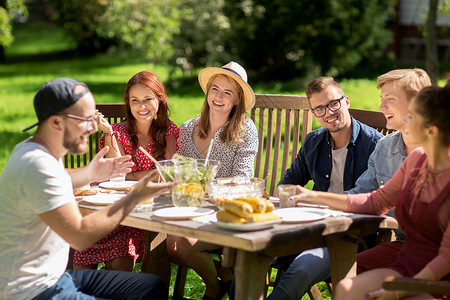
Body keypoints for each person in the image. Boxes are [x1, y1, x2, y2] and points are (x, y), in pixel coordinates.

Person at [0, 78, 176, 299]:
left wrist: (92, 174)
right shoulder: (37, 165)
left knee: (151, 286)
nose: (94, 127)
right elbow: (80, 237)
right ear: (56, 123)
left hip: (55, 278)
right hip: (32, 291)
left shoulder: (35, 151)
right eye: (86, 119)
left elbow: (60, 178)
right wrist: (134, 197)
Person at [291, 82, 450, 300]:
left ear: (432, 131)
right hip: (407, 261)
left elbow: (446, 257)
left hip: (437, 277)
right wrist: (312, 196)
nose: (404, 123)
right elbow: (376, 201)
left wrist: (397, 291)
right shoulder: (416, 160)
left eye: (411, 118)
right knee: (346, 288)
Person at [267, 76, 383, 300]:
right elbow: (287, 185)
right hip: (308, 229)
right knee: (248, 254)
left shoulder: (376, 145)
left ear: (346, 101)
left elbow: (377, 202)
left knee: (302, 266)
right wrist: (291, 198)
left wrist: (313, 200)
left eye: (333, 104)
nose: (328, 113)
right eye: (319, 109)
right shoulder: (313, 142)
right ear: (313, 114)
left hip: (350, 237)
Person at [73, 71, 179, 272]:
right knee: (85, 250)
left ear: (160, 100)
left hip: (144, 214)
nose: (142, 106)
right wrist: (108, 133)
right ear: (128, 104)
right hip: (113, 208)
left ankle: (119, 286)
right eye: (135, 100)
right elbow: (116, 174)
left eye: (148, 99)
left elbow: (167, 174)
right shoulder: (117, 132)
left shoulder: (169, 131)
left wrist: (134, 176)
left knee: (121, 259)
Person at [168, 61, 258, 300]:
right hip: (193, 207)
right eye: (215, 89)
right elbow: (183, 175)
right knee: (169, 245)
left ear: (237, 100)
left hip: (225, 212)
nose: (219, 96)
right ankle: (225, 277)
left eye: (227, 92)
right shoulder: (187, 129)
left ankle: (213, 288)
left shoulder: (245, 130)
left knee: (183, 245)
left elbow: (243, 179)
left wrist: (210, 186)